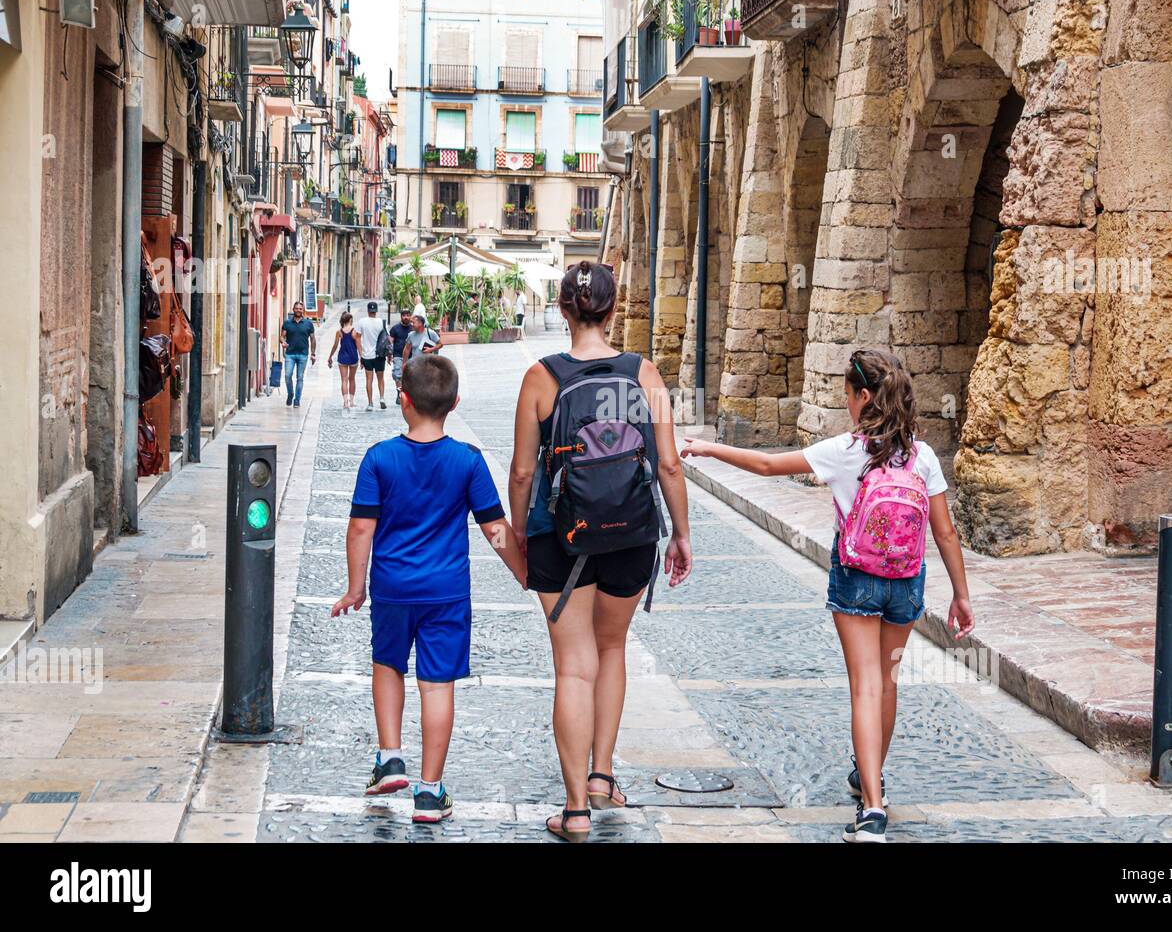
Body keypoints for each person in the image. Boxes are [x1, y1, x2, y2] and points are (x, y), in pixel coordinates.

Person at [681, 349, 976, 844]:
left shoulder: (847, 450)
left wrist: (708, 449)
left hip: (856, 577)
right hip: (907, 582)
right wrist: (961, 596)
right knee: (886, 681)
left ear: (863, 396)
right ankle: (869, 778)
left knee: (864, 685)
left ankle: (873, 811)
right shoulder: (921, 456)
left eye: (847, 395)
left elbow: (768, 465)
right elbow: (944, 533)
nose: (847, 405)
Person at [509, 261, 693, 842]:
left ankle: (575, 814)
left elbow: (520, 472)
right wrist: (682, 533)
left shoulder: (541, 377)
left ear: (563, 310)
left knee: (573, 666)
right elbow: (667, 462)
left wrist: (520, 533)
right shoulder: (646, 375)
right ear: (614, 311)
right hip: (631, 533)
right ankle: (601, 777)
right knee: (611, 649)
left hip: (558, 538)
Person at [331, 354, 527, 824]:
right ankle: (430, 790)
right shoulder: (468, 461)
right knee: (437, 685)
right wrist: (524, 573)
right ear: (455, 403)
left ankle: (390, 757)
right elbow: (495, 528)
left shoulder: (379, 458)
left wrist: (355, 588)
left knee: (388, 665)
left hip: (393, 588)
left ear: (403, 399)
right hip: (447, 593)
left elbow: (360, 529)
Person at [280, 301, 316, 408]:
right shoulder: (287, 323)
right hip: (290, 354)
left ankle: (297, 400)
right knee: (287, 376)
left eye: (300, 308)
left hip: (303, 355)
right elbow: (282, 336)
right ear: (293, 309)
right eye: (296, 308)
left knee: (300, 378)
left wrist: (313, 354)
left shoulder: (308, 324)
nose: (298, 310)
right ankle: (290, 394)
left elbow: (313, 339)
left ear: (303, 310)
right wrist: (283, 342)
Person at [327, 311, 362, 415]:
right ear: (350, 320)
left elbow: (335, 346)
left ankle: (345, 402)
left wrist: (330, 356)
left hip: (342, 357)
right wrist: (362, 358)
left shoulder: (339, 332)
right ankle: (351, 401)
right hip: (353, 357)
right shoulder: (355, 332)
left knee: (344, 380)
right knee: (352, 379)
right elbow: (359, 346)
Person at [357, 301, 388, 411]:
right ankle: (382, 398)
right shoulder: (382, 322)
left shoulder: (362, 322)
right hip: (379, 355)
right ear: (376, 311)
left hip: (367, 355)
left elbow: (357, 338)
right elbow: (386, 340)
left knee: (369, 380)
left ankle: (370, 403)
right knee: (381, 378)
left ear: (368, 310)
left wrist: (360, 353)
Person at [390, 309, 414, 390]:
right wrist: (389, 355)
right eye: (404, 316)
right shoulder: (395, 328)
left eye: (407, 315)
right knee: (398, 375)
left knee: (411, 375)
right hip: (398, 355)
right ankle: (399, 393)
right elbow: (390, 343)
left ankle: (408, 393)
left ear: (410, 316)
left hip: (411, 356)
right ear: (401, 317)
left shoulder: (413, 328)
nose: (406, 317)